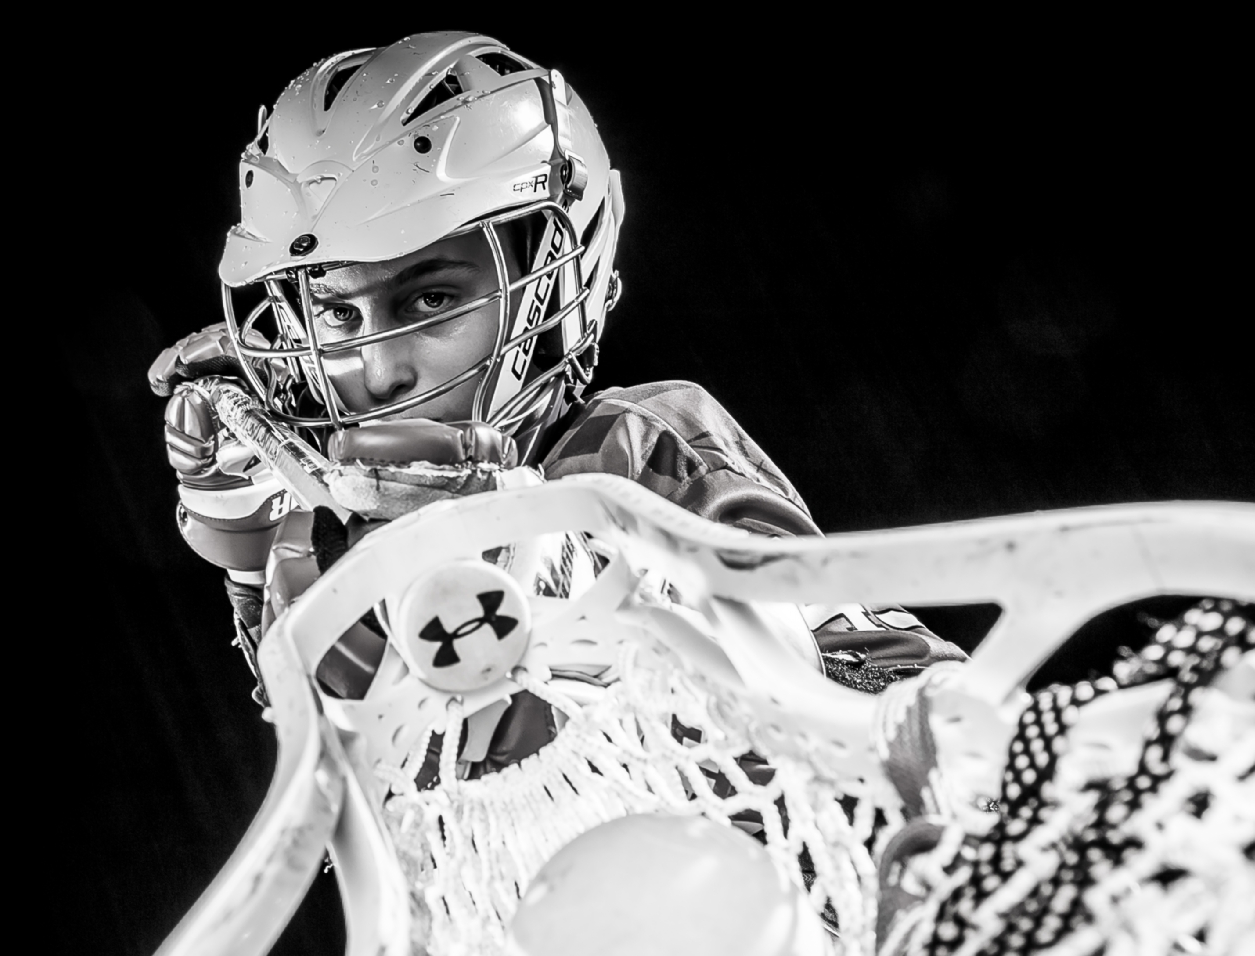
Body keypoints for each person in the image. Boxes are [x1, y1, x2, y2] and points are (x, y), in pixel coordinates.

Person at [146, 31, 965, 725]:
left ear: (548, 281)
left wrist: (558, 561)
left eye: (430, 298)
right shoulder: (350, 525)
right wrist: (260, 555)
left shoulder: (640, 445)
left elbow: (906, 707)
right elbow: (365, 784)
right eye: (337, 315)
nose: (380, 370)